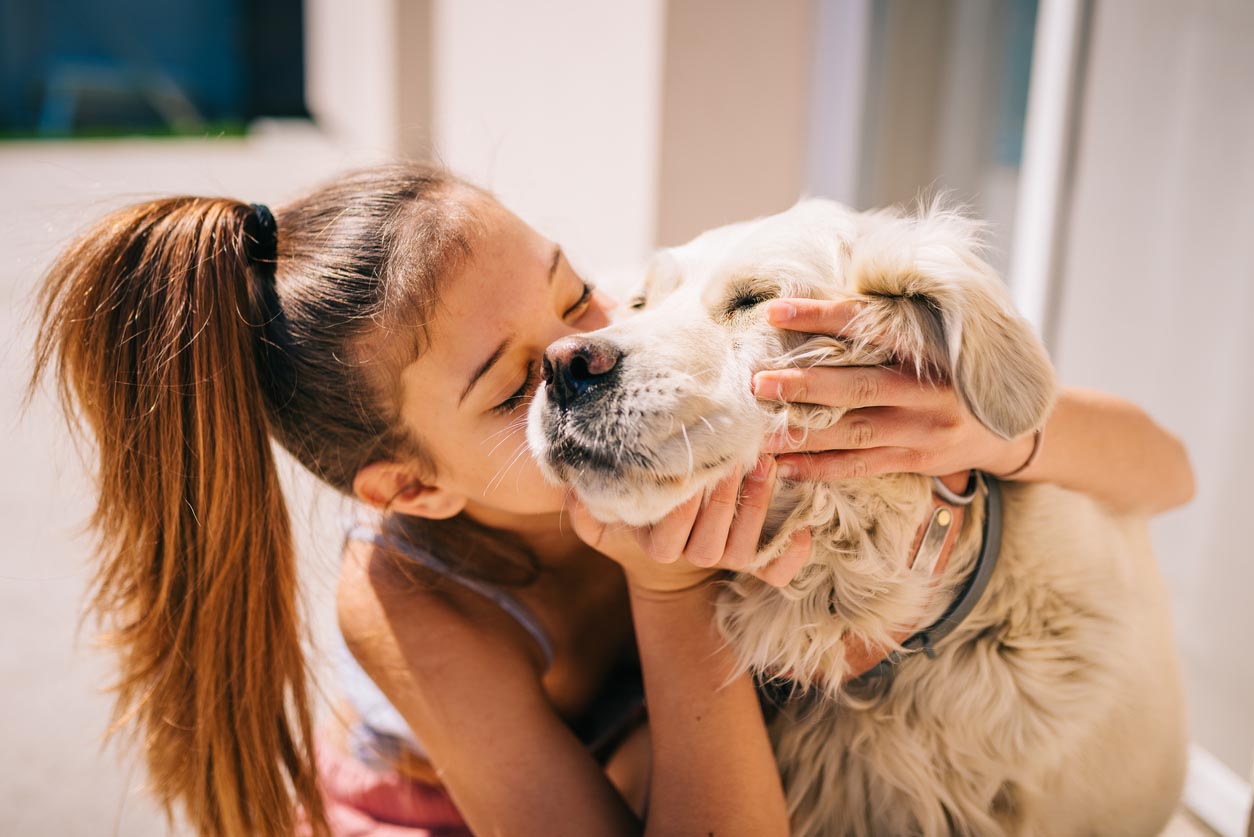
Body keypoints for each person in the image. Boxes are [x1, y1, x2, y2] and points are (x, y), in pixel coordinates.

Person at [26, 163, 1194, 837]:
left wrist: (1003, 430)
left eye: (578, 289)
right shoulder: (407, 599)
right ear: (412, 487)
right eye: (508, 387)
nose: (591, 353)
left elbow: (1169, 474)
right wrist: (671, 586)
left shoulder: (642, 349)